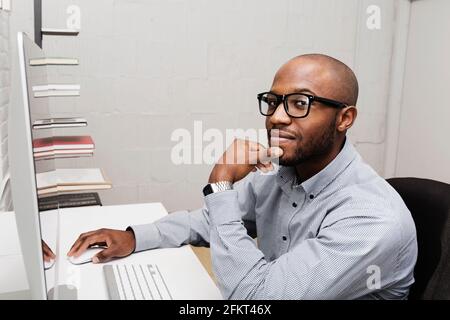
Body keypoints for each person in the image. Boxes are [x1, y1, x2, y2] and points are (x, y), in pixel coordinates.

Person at [67, 54, 417, 299]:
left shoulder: (373, 218)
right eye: (273, 101)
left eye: (299, 104)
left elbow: (255, 298)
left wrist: (220, 184)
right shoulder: (281, 172)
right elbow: (212, 221)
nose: (277, 118)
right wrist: (137, 237)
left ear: (345, 119)